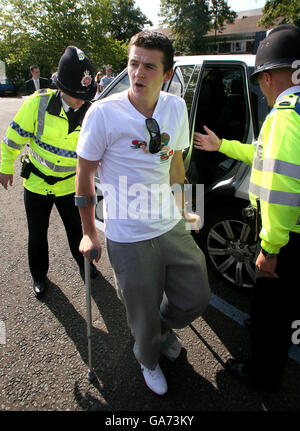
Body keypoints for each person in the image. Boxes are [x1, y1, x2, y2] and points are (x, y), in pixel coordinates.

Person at [75, 30, 211, 396]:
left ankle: (158, 331)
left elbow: (176, 164)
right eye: (134, 64)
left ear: (167, 74)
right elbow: (84, 175)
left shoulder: (175, 107)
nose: (138, 73)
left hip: (169, 224)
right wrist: (89, 230)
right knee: (142, 316)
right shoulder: (104, 113)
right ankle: (147, 358)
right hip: (128, 234)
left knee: (195, 296)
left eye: (149, 67)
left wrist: (185, 209)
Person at [194, 25, 300, 392]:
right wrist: (221, 144)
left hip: (287, 241)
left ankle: (263, 375)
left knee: (269, 315)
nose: (261, 88)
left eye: (260, 80)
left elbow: (280, 191)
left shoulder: (285, 117)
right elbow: (260, 156)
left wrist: (269, 249)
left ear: (270, 77)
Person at [0, 46, 99, 299]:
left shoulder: (91, 112)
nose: (80, 99)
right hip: (37, 184)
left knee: (77, 231)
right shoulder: (38, 103)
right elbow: (12, 139)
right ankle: (39, 277)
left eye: (84, 94)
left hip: (70, 185)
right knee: (37, 235)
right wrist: (4, 167)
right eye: (75, 94)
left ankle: (86, 267)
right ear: (61, 86)